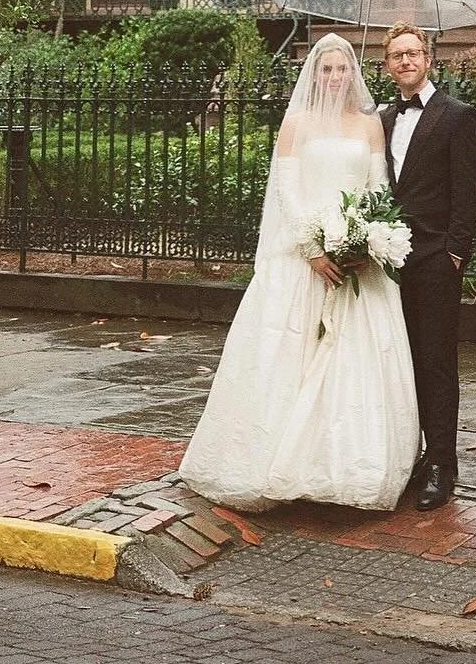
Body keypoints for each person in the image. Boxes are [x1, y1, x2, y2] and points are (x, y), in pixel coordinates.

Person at [179, 32, 420, 511]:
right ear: (314, 74)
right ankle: (274, 463)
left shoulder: (369, 124)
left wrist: (363, 239)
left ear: (354, 73)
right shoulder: (296, 123)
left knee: (356, 363)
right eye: (326, 69)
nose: (335, 76)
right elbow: (286, 192)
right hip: (302, 260)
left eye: (343, 68)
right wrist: (312, 249)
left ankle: (348, 469)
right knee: (289, 355)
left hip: (357, 263)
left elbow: (378, 189)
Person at [381, 22, 476, 511]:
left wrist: (454, 253)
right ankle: (416, 455)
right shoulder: (381, 119)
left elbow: (468, 190)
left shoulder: (457, 115)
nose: (406, 61)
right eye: (397, 55)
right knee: (402, 362)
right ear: (387, 65)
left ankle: (443, 462)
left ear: (428, 60)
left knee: (437, 361)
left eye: (413, 53)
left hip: (436, 258)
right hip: (388, 262)